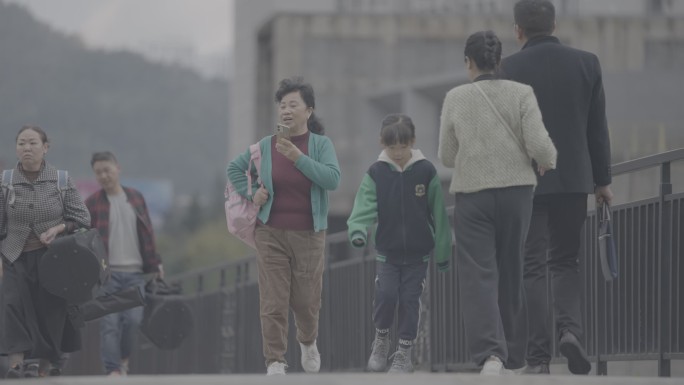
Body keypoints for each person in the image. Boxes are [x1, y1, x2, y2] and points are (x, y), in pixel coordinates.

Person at [501, 0, 614, 375]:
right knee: (565, 261)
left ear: (518, 30)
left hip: (526, 182)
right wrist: (603, 182)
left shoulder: (508, 69)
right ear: (554, 24)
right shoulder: (587, 63)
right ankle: (571, 332)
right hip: (574, 180)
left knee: (532, 266)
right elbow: (596, 128)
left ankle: (537, 359)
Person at [438, 31, 557, 375]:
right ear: (498, 60)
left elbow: (446, 156)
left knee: (479, 275)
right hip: (518, 193)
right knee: (512, 270)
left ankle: (491, 355)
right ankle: (516, 357)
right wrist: (546, 160)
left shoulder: (456, 98)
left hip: (474, 195)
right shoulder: (521, 94)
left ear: (468, 62)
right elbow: (541, 147)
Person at [227, 76, 341, 376]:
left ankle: (307, 341)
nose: (286, 110)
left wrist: (298, 157)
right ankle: (275, 360)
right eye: (282, 105)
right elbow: (234, 168)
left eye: (293, 104)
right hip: (270, 232)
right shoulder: (266, 145)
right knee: (273, 300)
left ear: (309, 110)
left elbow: (332, 179)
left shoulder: (320, 145)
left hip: (309, 234)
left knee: (306, 301)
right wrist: (253, 193)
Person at [347, 113, 451, 373]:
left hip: (418, 253)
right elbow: (364, 206)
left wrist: (442, 252)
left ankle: (404, 352)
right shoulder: (376, 172)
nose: (397, 152)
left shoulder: (426, 171)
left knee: (409, 300)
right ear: (382, 144)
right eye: (391, 147)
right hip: (387, 251)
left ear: (412, 142)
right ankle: (381, 338)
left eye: (403, 146)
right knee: (386, 294)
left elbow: (438, 212)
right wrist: (358, 230)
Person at [0, 125, 91, 378]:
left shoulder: (60, 180)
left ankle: (43, 364)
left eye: (32, 143)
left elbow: (83, 218)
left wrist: (60, 227)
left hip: (51, 257)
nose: (26, 148)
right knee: (13, 306)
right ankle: (17, 365)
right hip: (14, 254)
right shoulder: (5, 182)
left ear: (45, 147)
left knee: (48, 311)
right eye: (21, 143)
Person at [85, 151, 163, 376]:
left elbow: (148, 233)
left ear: (117, 168)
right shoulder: (92, 203)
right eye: (98, 172)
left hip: (135, 274)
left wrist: (156, 263)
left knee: (132, 321)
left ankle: (124, 359)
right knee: (109, 324)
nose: (103, 176)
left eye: (107, 170)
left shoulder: (136, 198)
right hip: (106, 275)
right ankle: (113, 370)